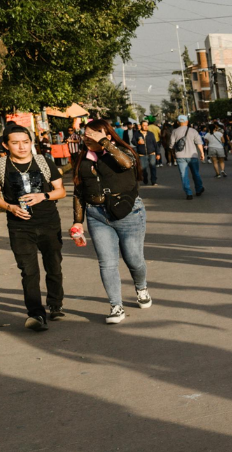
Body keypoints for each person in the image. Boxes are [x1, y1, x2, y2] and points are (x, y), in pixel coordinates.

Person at [70, 119, 151, 325]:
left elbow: (127, 164)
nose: (87, 138)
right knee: (107, 263)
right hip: (97, 216)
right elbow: (79, 191)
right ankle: (116, 306)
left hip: (129, 213)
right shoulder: (83, 159)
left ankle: (141, 287)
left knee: (134, 259)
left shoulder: (122, 153)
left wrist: (105, 143)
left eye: (92, 135)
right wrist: (78, 221)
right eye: (85, 135)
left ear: (106, 135)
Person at [1, 124, 66, 331]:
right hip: (20, 227)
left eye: (26, 142)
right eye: (16, 143)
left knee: (53, 266)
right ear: (5, 145)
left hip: (48, 223)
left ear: (31, 142)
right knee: (29, 271)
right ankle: (36, 314)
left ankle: (55, 305)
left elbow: (61, 191)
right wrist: (10, 207)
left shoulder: (44, 162)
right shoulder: (1, 166)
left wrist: (43, 196)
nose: (22, 147)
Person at [169, 115, 205, 200]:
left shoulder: (175, 131)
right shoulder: (193, 131)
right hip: (193, 156)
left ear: (178, 122)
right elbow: (199, 143)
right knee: (196, 173)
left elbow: (171, 145)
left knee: (183, 175)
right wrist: (202, 153)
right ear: (187, 121)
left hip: (180, 156)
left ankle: (188, 193)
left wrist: (173, 154)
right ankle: (199, 189)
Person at [130, 120, 159, 186]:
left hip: (151, 153)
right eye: (144, 125)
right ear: (140, 126)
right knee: (143, 169)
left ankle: (153, 181)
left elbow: (155, 144)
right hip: (142, 154)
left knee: (153, 168)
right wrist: (137, 143)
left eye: (147, 125)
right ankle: (145, 178)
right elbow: (133, 141)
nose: (146, 127)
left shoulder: (151, 134)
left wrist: (158, 153)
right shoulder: (137, 134)